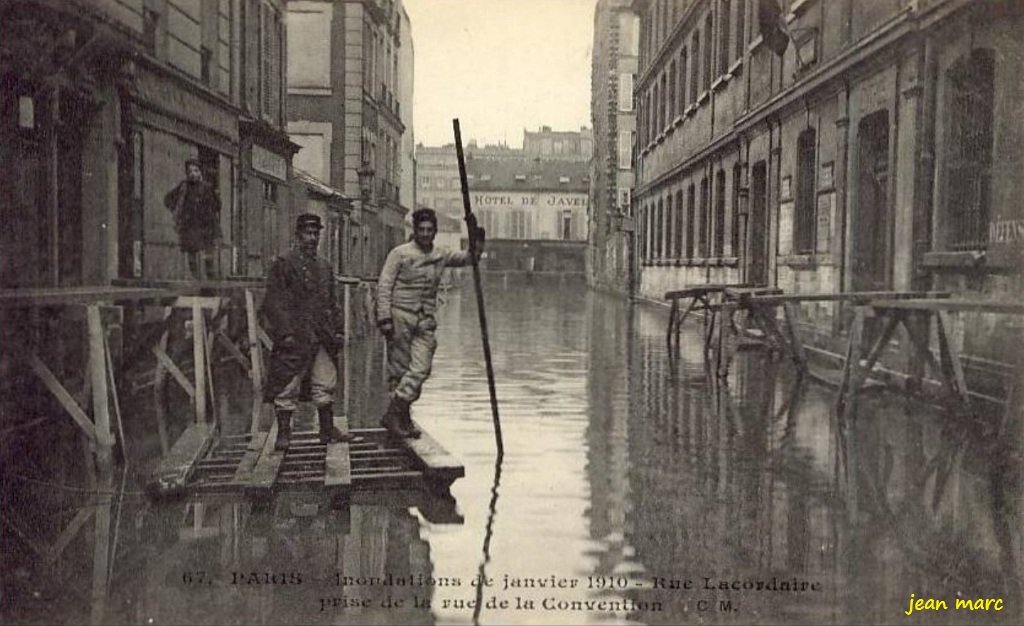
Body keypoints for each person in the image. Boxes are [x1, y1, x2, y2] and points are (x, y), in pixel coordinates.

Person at [376, 207, 485, 438]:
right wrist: (384, 317)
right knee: (399, 371)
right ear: (415, 231)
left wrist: (477, 237)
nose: (425, 234)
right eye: (421, 230)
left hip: (425, 320)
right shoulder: (400, 253)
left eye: (429, 230)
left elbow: (470, 258)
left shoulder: (441, 254)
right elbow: (384, 285)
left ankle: (392, 414)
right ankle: (403, 420)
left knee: (420, 369)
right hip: (400, 317)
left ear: (435, 232)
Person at [261, 213, 356, 450]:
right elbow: (273, 302)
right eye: (307, 233)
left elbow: (333, 302)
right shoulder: (283, 264)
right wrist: (285, 334)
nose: (312, 238)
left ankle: (326, 430)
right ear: (297, 235)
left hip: (321, 334)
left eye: (316, 234)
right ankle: (284, 433)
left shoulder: (324, 267)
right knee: (288, 384)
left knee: (325, 381)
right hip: (294, 336)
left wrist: (338, 330)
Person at [164, 158, 221, 279]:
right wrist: (179, 212)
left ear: (200, 172)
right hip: (191, 226)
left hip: (207, 226)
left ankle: (211, 282)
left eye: (195, 170)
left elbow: (218, 205)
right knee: (192, 254)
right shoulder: (184, 187)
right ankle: (196, 281)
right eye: (189, 171)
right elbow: (168, 199)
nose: (192, 174)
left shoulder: (207, 187)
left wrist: (208, 214)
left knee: (208, 255)